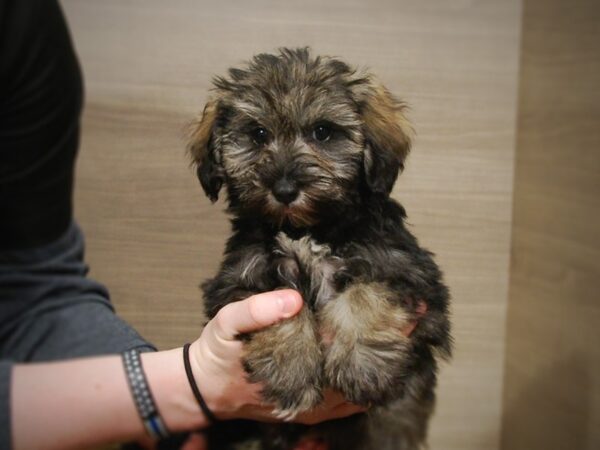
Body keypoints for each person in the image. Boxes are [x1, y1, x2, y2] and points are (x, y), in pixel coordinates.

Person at [0, 1, 371, 449]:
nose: (287, 174)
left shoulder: (24, 23)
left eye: (322, 135)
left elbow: (35, 289)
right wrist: (180, 391)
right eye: (255, 137)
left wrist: (164, 419)